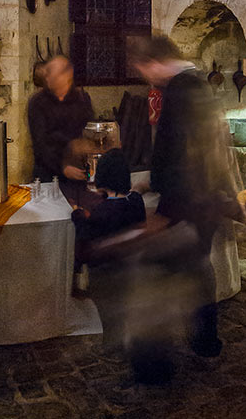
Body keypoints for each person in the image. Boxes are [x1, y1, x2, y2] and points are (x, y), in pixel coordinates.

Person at [124, 35, 246, 384]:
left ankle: (153, 366)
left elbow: (183, 152)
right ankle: (205, 342)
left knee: (155, 275)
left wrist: (166, 210)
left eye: (142, 68)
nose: (144, 76)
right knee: (196, 270)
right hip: (202, 202)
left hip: (186, 203)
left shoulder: (180, 90)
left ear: (152, 63)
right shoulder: (197, 85)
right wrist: (152, 181)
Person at [71, 149, 144, 353]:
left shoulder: (102, 212)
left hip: (105, 273)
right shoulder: (136, 201)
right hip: (130, 268)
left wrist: (77, 214)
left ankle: (113, 346)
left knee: (109, 312)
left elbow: (86, 233)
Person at [27, 55, 93, 186]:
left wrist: (87, 145)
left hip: (78, 172)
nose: (47, 78)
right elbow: (40, 144)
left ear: (67, 75)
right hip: (48, 174)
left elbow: (88, 131)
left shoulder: (81, 99)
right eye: (47, 75)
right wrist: (63, 168)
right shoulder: (38, 102)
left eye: (51, 75)